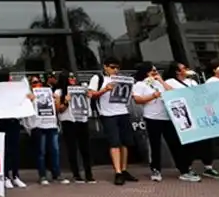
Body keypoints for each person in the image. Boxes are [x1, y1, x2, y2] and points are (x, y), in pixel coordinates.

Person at [132, 63, 200, 183]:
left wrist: (161, 81)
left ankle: (183, 170)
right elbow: (137, 99)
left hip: (167, 117)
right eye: (152, 71)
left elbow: (173, 93)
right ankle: (155, 169)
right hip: (152, 117)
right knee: (155, 145)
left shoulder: (159, 82)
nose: (155, 72)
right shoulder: (140, 84)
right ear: (145, 72)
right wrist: (153, 95)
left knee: (175, 144)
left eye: (156, 70)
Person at [165, 61, 219, 180]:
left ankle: (208, 167)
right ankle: (186, 168)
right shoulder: (170, 82)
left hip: (197, 116)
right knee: (187, 145)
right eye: (184, 68)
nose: (187, 69)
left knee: (205, 142)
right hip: (183, 118)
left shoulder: (192, 81)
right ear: (177, 71)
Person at [88, 57, 137, 186]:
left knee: (125, 142)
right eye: (112, 67)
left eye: (117, 67)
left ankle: (124, 169)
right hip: (108, 114)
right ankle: (118, 171)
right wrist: (105, 89)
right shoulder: (98, 78)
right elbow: (91, 94)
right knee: (114, 142)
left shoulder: (121, 78)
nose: (115, 70)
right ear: (105, 67)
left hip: (122, 111)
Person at [24, 73, 68, 185]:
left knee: (55, 151)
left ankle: (56, 174)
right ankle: (42, 176)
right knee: (41, 152)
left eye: (39, 82)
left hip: (51, 125)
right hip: (38, 126)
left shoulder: (49, 92)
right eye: (34, 82)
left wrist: (56, 100)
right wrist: (29, 100)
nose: (38, 84)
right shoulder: (28, 96)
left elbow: (57, 110)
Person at [55, 72, 95, 183]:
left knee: (86, 148)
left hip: (82, 120)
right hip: (69, 121)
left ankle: (89, 173)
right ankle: (76, 174)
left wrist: (88, 96)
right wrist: (66, 101)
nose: (73, 79)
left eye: (74, 77)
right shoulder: (59, 92)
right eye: (70, 77)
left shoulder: (81, 89)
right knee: (72, 149)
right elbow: (59, 109)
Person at [0, 70, 27, 189]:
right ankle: (6, 176)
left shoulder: (15, 90)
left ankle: (16, 176)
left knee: (15, 150)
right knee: (6, 150)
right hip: (3, 122)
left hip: (14, 121)